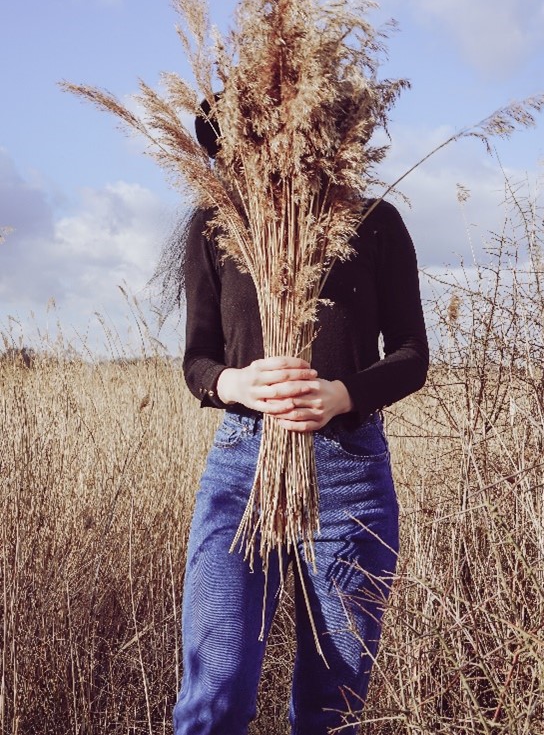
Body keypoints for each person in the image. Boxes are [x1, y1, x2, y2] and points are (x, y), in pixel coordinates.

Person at [172, 108, 429, 735]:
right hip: (241, 467)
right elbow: (197, 358)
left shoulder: (375, 224)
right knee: (216, 690)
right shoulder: (217, 227)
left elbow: (411, 356)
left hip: (349, 473)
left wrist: (342, 395)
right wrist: (233, 383)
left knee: (331, 705)